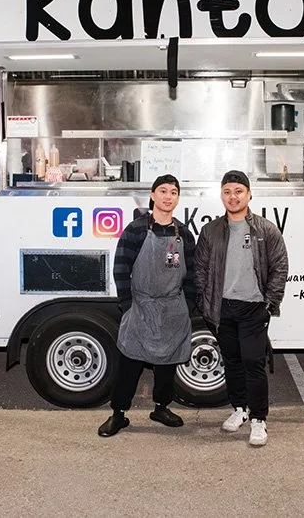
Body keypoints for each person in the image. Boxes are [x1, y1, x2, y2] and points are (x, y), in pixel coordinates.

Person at [98, 174, 198, 437]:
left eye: (173, 192)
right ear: (153, 195)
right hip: (141, 307)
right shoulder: (136, 230)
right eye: (163, 191)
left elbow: (193, 275)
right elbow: (121, 268)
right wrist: (128, 305)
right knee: (129, 364)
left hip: (173, 309)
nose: (168, 196)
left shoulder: (184, 234)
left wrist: (187, 307)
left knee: (167, 364)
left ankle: (161, 408)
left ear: (177, 198)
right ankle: (118, 414)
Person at [195, 170, 288, 447]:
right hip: (222, 309)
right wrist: (205, 303)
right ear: (221, 195)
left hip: (253, 309)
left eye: (238, 191)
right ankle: (240, 409)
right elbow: (200, 269)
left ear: (249, 194)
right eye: (227, 191)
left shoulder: (265, 229)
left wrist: (269, 303)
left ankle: (259, 419)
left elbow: (279, 267)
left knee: (253, 363)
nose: (232, 197)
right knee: (232, 362)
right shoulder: (211, 230)